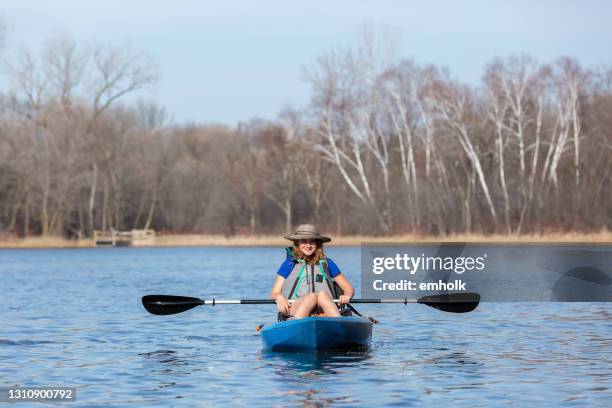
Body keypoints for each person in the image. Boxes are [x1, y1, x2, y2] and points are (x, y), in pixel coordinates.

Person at [270, 224, 355, 319]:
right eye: (304, 241)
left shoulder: (328, 263)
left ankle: (339, 323)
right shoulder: (289, 264)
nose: (308, 245)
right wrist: (280, 298)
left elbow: (348, 287)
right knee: (312, 297)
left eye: (312, 242)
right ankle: (295, 322)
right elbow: (275, 292)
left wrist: (347, 295)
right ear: (297, 243)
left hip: (324, 309)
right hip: (295, 308)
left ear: (318, 244)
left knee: (322, 295)